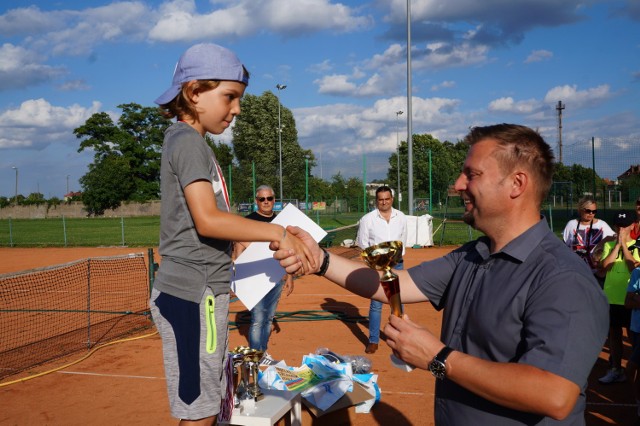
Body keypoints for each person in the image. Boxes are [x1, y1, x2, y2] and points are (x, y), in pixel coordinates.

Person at [275, 124, 609, 424]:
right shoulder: (473, 254)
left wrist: (438, 358)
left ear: (517, 184)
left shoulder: (563, 278)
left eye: (472, 174)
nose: (458, 184)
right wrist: (321, 260)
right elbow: (394, 285)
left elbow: (554, 395)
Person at [149, 43, 313, 426]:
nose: (237, 109)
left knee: (209, 401)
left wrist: (240, 241)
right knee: (201, 410)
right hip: (193, 295)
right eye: (230, 97)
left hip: (204, 291)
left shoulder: (193, 144)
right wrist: (276, 233)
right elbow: (207, 219)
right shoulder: (187, 142)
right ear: (194, 92)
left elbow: (208, 223)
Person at [235, 185, 294, 353]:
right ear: (256, 201)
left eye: (269, 198)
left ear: (274, 200)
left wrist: (289, 276)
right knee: (258, 318)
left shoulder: (280, 223)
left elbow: (288, 251)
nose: (266, 202)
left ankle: (263, 351)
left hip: (276, 277)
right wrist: (238, 275)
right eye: (262, 199)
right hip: (255, 277)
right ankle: (255, 354)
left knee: (268, 318)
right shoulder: (249, 221)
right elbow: (238, 248)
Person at [356, 185, 407, 354]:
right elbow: (363, 243)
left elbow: (403, 240)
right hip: (377, 267)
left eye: (387, 199)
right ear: (376, 201)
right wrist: (377, 260)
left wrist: (397, 257)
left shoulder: (401, 217)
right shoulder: (367, 219)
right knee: (376, 304)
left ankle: (400, 339)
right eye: (380, 200)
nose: (384, 202)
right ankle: (373, 340)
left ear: (391, 199)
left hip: (397, 264)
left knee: (397, 303)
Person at [598, 211, 640, 384]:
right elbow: (605, 266)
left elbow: (633, 267)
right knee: (614, 335)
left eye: (624, 226)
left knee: (633, 336)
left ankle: (634, 369)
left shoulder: (637, 246)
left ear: (633, 226)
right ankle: (615, 368)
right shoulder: (609, 245)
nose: (620, 229)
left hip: (630, 300)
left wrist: (624, 245)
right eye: (618, 225)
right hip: (611, 297)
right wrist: (617, 245)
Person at [562, 195, 614, 279]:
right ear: (580, 210)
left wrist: (602, 243)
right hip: (576, 272)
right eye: (588, 211)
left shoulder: (602, 225)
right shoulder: (571, 224)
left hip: (597, 273)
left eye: (594, 211)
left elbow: (615, 238)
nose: (591, 213)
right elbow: (564, 247)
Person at [624, 265, 640, 424]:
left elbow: (632, 298)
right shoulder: (637, 272)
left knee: (631, 367)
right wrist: (633, 298)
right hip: (636, 328)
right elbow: (627, 302)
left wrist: (636, 297)